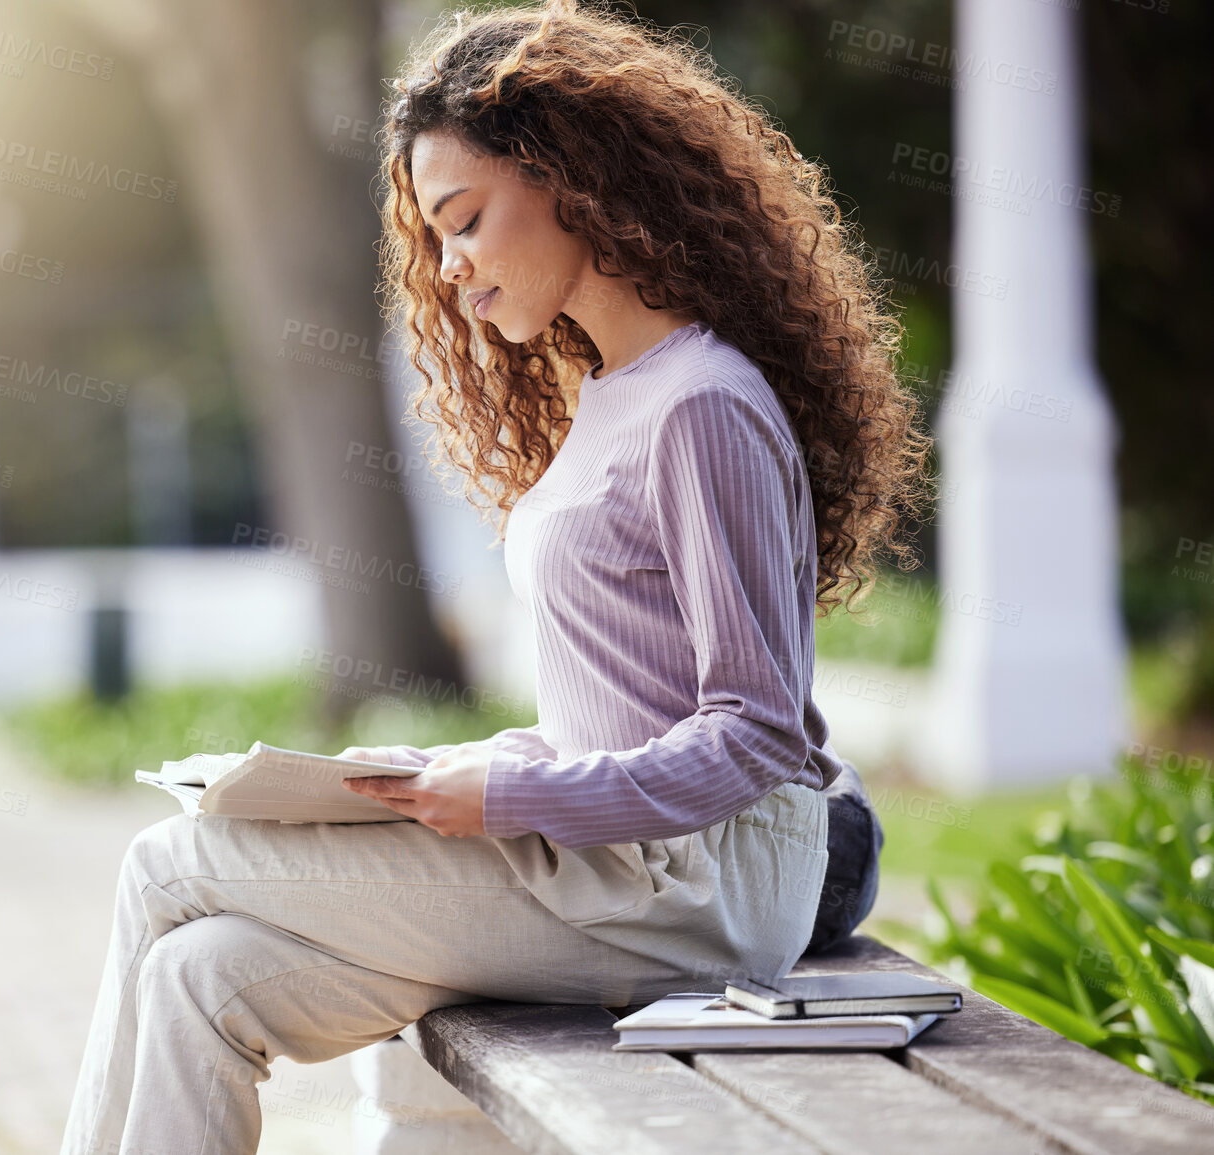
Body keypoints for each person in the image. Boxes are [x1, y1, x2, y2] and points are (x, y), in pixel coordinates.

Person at [59, 3, 929, 1152]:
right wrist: (472, 767)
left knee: (170, 863)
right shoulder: (613, 392)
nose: (455, 271)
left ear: (575, 177)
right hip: (610, 869)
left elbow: (758, 733)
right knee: (200, 974)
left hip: (695, 894)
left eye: (465, 223)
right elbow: (623, 709)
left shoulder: (704, 404)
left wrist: (512, 802)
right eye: (438, 242)